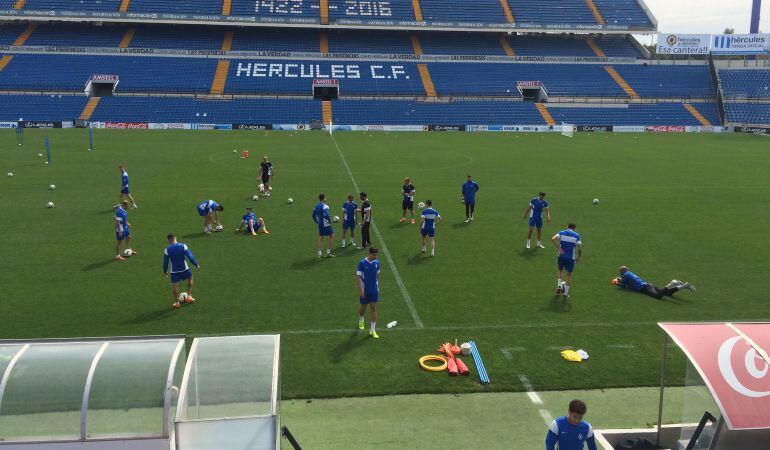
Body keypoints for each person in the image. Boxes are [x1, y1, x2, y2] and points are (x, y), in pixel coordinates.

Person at [163, 234, 199, 309]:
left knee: (175, 286)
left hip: (174, 271)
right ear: (175, 238)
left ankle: (177, 303)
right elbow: (190, 256)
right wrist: (195, 264)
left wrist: (165, 271)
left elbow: (165, 262)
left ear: (169, 240)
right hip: (185, 269)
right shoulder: (183, 246)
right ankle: (189, 296)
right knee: (190, 278)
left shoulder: (167, 249)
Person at [614, 266, 695, 299]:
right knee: (667, 293)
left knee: (658, 296)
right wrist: (620, 279)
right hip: (649, 285)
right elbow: (627, 281)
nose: (620, 273)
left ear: (623, 271)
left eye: (620, 272)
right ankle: (684, 286)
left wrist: (617, 283)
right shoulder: (629, 274)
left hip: (645, 288)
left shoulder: (625, 275)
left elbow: (623, 285)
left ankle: (672, 283)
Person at [551, 223, 582, 299]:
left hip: (561, 256)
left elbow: (553, 239)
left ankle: (559, 286)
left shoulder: (562, 232)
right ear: (574, 228)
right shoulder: (576, 235)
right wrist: (578, 257)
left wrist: (559, 249)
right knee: (568, 275)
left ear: (567, 227)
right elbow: (579, 248)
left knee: (560, 270)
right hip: (571, 258)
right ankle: (565, 293)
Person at [356, 247, 381, 339]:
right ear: (369, 253)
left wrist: (377, 286)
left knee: (373, 308)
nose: (375, 256)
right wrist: (360, 290)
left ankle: (372, 330)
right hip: (365, 290)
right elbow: (358, 277)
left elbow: (377, 275)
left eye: (376, 255)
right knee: (363, 307)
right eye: (374, 255)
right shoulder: (362, 263)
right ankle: (361, 319)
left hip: (374, 290)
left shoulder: (377, 263)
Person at [312, 194, 334, 258]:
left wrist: (317, 221)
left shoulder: (316, 206)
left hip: (320, 223)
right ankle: (328, 252)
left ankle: (319, 253)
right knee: (332, 236)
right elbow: (326, 215)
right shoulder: (325, 206)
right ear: (324, 198)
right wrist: (329, 221)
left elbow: (313, 215)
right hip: (326, 224)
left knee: (321, 237)